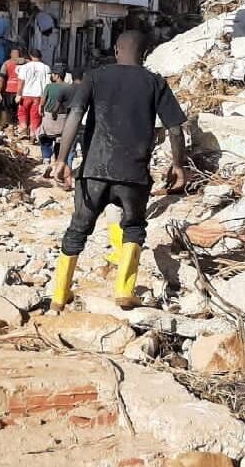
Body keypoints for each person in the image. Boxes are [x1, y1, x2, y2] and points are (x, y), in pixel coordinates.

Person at [49, 30, 188, 311]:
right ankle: (125, 291)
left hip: (93, 170)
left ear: (115, 50)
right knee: (134, 227)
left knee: (78, 228)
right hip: (134, 173)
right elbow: (175, 129)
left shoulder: (95, 76)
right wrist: (178, 164)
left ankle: (59, 295)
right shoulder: (154, 82)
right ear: (145, 53)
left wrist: (62, 159)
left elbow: (75, 115)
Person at [39, 69, 77, 178]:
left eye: (52, 74)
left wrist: (41, 110)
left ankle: (46, 160)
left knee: (45, 138)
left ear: (57, 76)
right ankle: (58, 162)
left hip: (50, 116)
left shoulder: (49, 87)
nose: (51, 76)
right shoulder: (69, 87)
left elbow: (42, 101)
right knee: (60, 141)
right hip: (64, 117)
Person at [15, 48, 51, 138]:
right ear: (41, 57)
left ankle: (23, 126)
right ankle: (33, 136)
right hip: (39, 97)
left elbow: (21, 82)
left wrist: (18, 94)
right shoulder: (46, 68)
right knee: (35, 117)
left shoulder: (24, 67)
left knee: (22, 113)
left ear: (30, 56)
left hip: (25, 95)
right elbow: (48, 84)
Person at [0, 48, 26, 134]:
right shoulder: (26, 63)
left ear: (11, 54)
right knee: (20, 110)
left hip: (9, 89)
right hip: (22, 90)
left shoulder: (6, 63)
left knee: (8, 109)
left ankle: (11, 127)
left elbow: (1, 78)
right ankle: (20, 127)